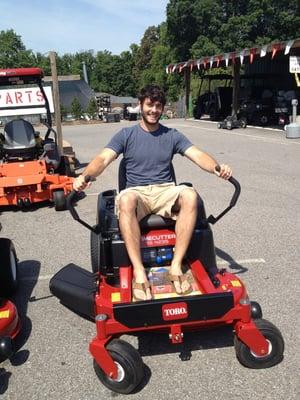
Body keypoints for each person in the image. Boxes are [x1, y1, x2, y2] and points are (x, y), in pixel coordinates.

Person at [73, 85, 232, 301]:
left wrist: (216, 168)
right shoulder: (126, 135)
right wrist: (86, 176)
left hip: (164, 190)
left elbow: (197, 154)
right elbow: (103, 159)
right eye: (149, 105)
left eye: (158, 106)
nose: (154, 110)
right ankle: (139, 270)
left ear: (162, 108)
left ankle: (176, 266)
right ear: (140, 106)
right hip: (137, 193)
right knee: (126, 199)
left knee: (190, 195)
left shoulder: (172, 135)